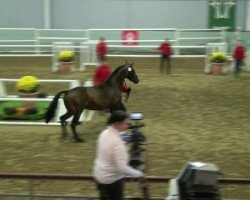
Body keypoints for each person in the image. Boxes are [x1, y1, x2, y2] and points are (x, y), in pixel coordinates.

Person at [93, 110, 145, 200]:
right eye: (125, 123)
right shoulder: (117, 143)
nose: (127, 125)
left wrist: (123, 141)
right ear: (117, 123)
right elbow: (122, 168)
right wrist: (139, 174)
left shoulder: (104, 133)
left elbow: (110, 147)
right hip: (111, 181)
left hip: (99, 176)